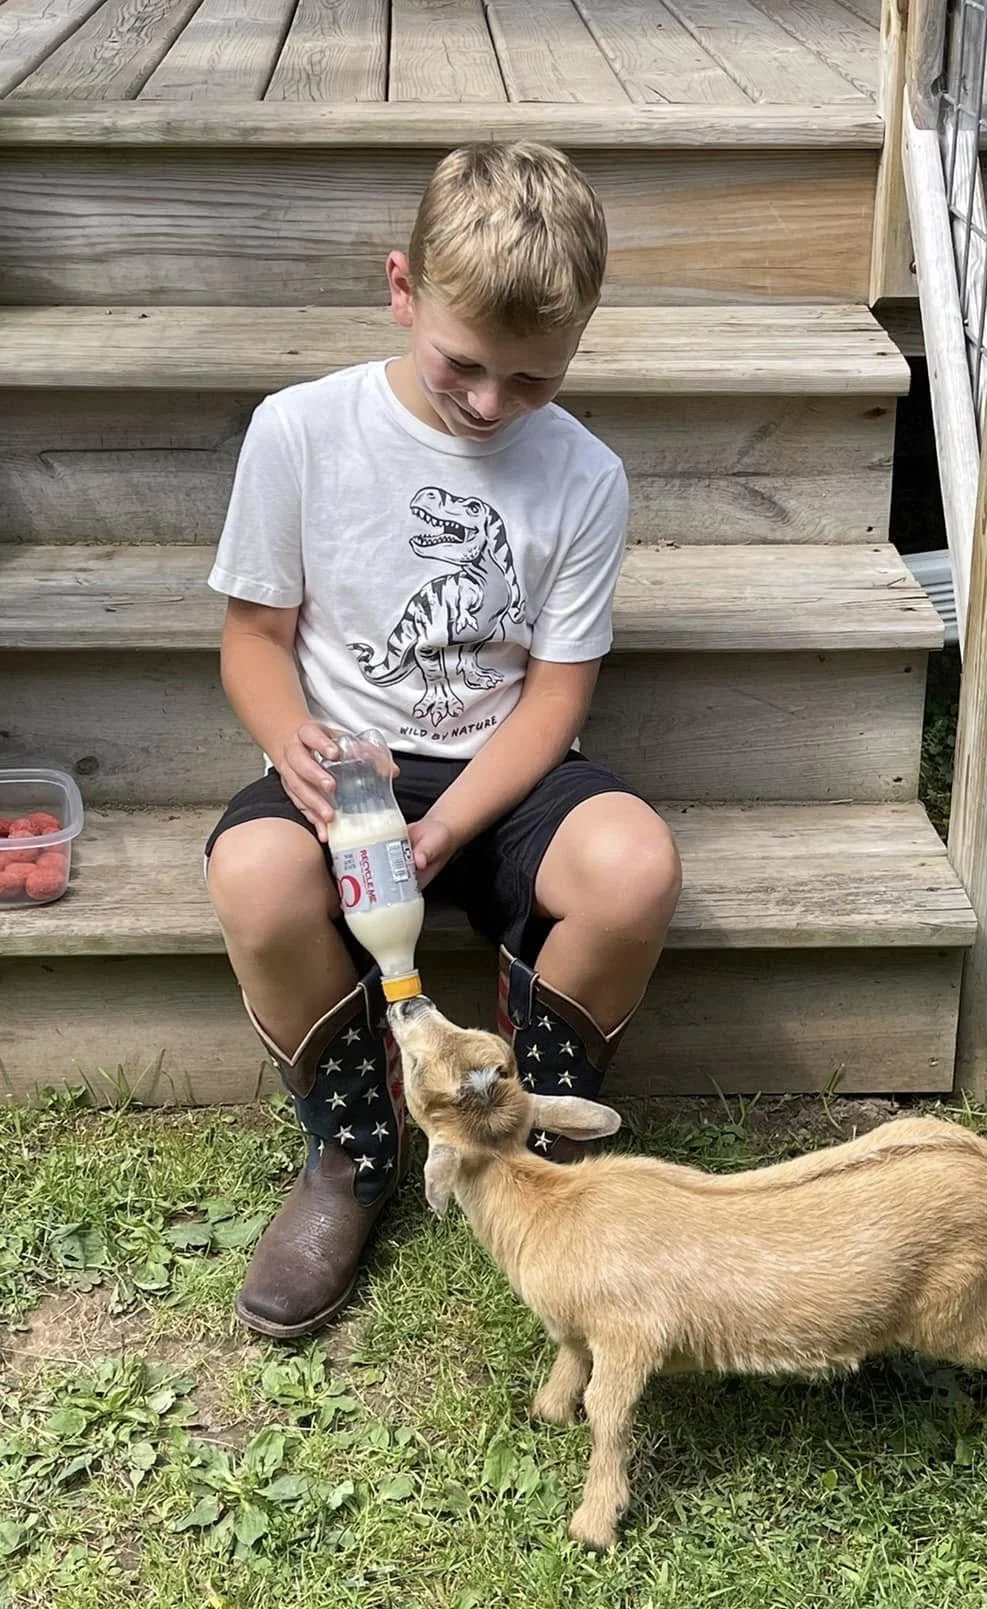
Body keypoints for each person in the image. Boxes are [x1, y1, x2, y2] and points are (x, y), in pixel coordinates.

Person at [203, 143, 682, 1340]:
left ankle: (529, 1141)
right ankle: (352, 1155)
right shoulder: (300, 432)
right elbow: (252, 640)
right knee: (252, 877)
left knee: (632, 866)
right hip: (347, 780)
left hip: (503, 771)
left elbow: (554, 699)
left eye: (532, 379)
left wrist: (455, 821)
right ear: (402, 289)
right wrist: (293, 742)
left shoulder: (584, 476)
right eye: (462, 364)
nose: (488, 404)